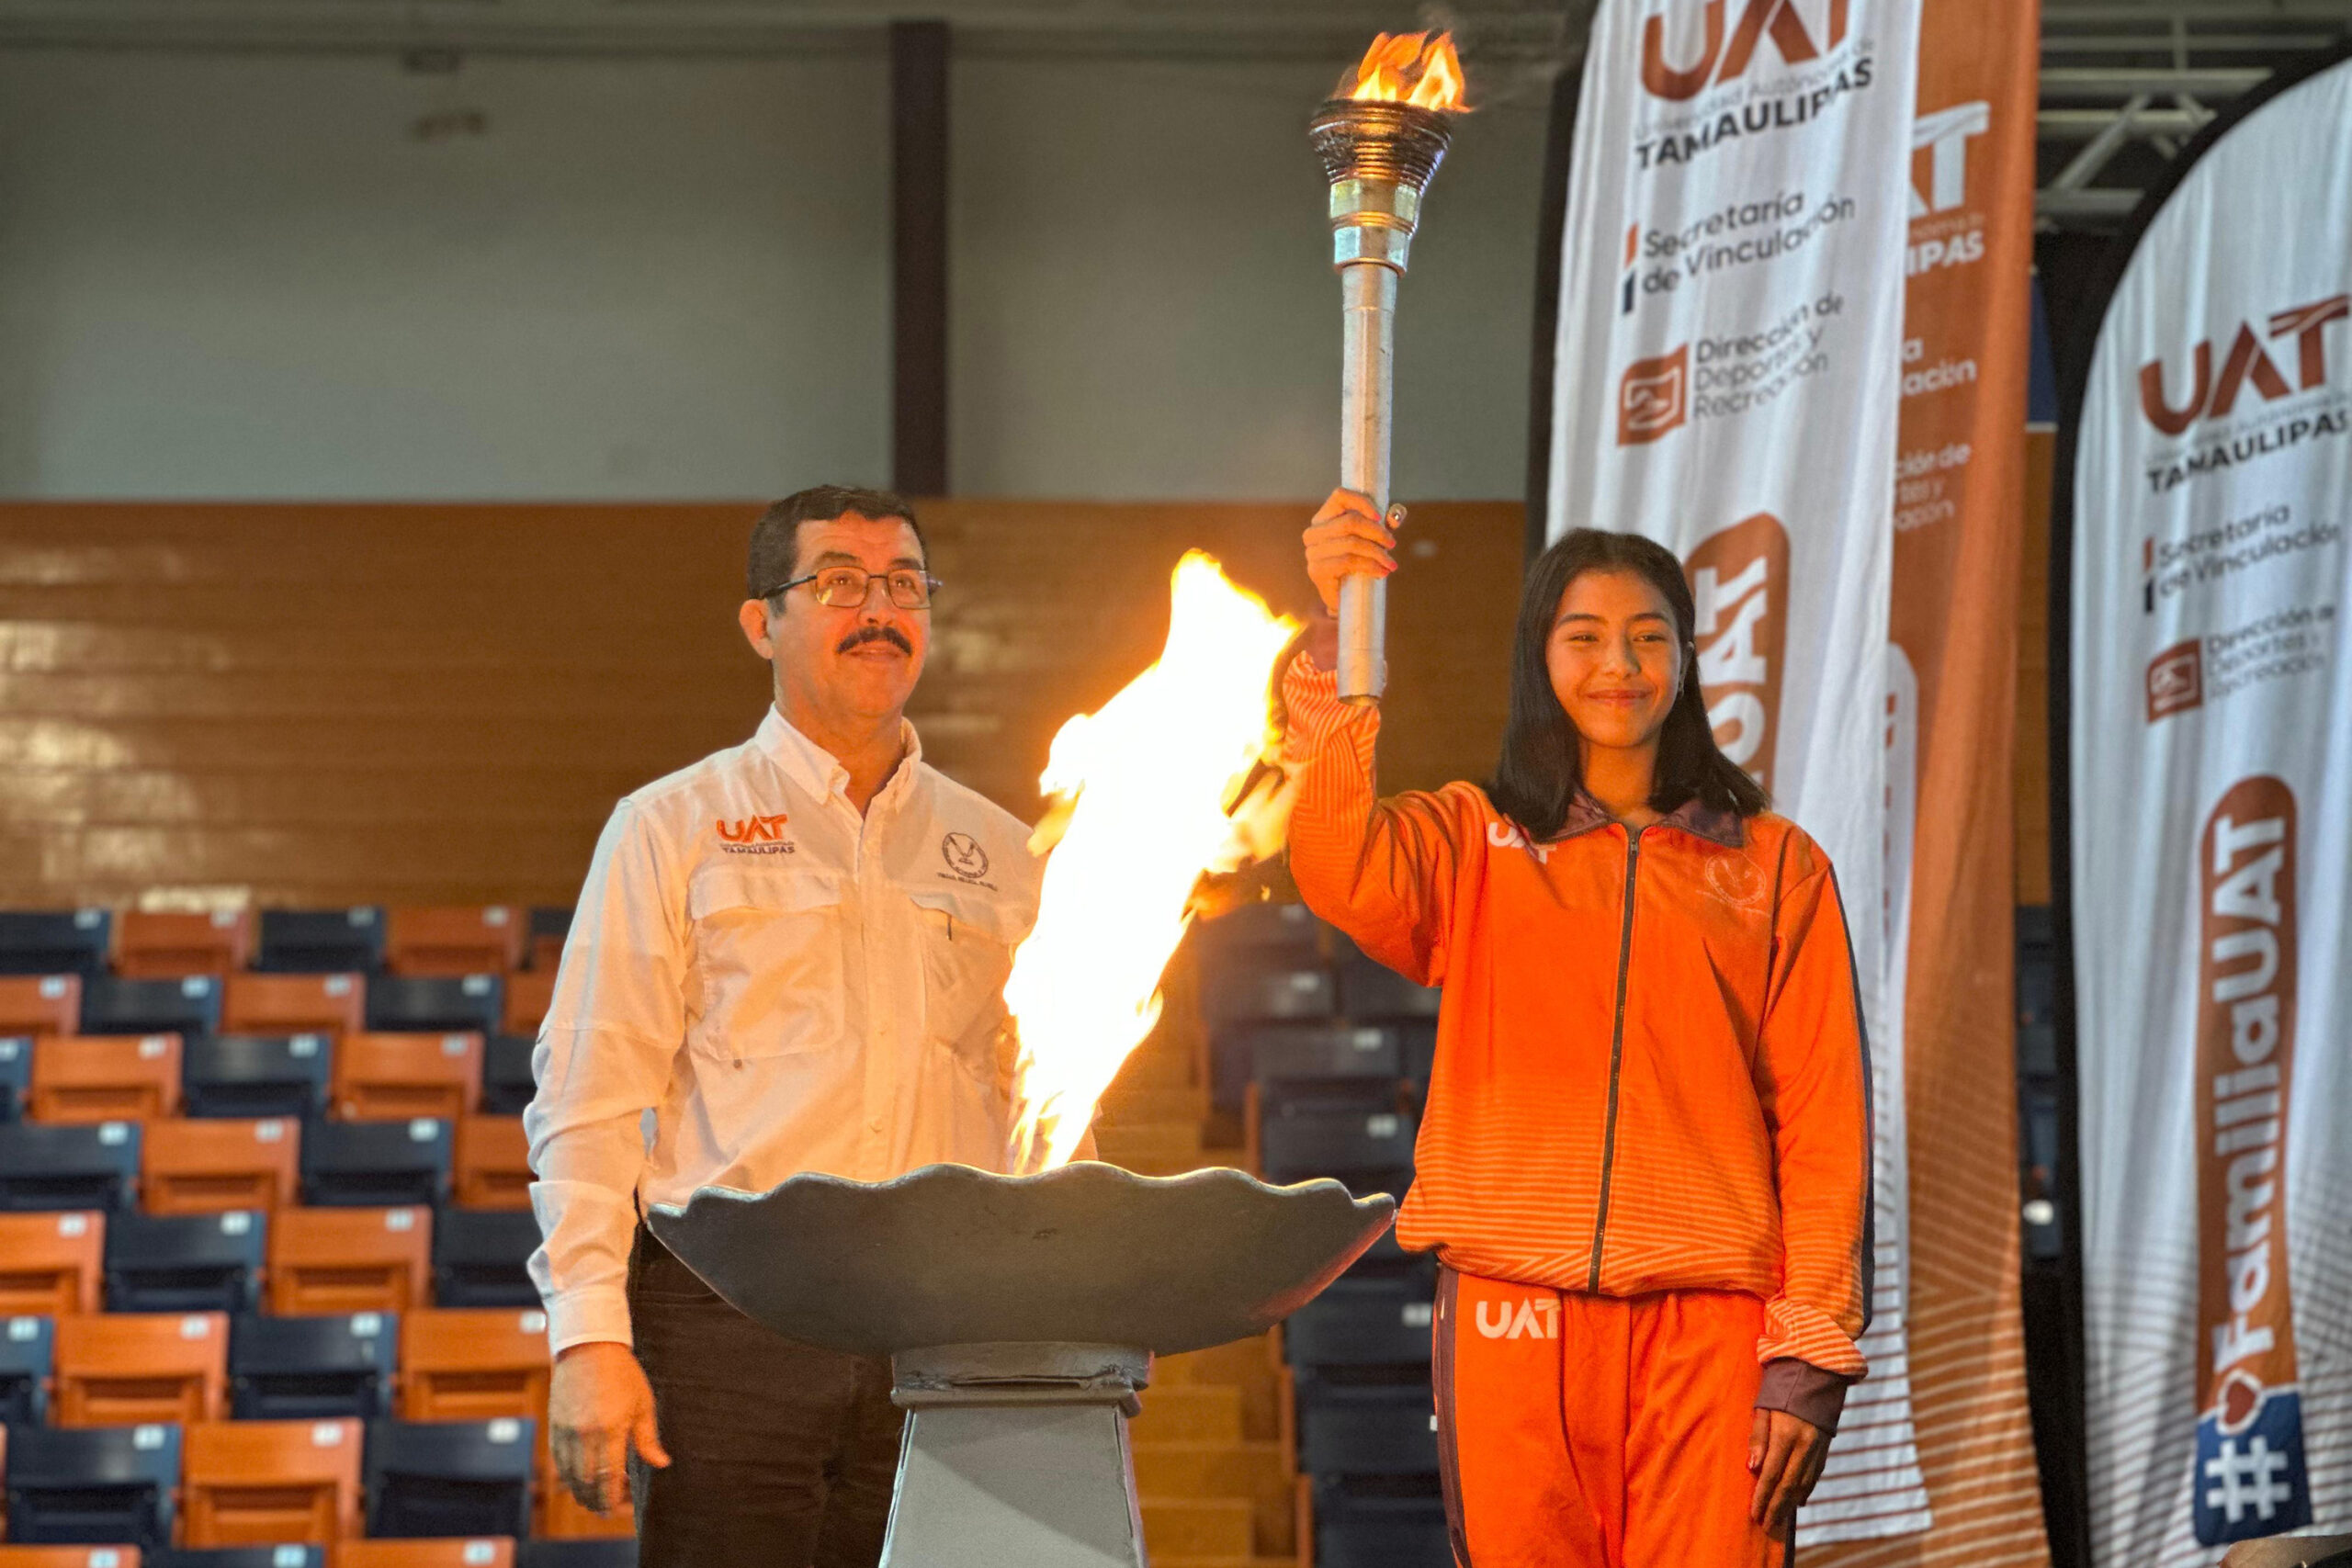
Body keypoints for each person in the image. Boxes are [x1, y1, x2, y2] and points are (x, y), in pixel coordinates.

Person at [1289, 491, 1872, 1568]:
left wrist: (1807, 1357)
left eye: (1650, 638)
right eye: (1586, 637)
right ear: (1539, 659)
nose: (1620, 664)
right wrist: (1340, 634)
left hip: (1712, 1326)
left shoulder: (1775, 866)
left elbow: (1826, 1126)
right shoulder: (1471, 839)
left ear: (1689, 662)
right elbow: (1337, 867)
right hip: (1515, 1310)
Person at [523, 485, 1044, 1568]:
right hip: (729, 1321)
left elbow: (1034, 1104)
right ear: (763, 622)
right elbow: (590, 1094)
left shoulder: (999, 853)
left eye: (904, 584)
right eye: (840, 583)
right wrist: (588, 1336)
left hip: (942, 1334)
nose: (880, 609)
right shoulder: (671, 826)